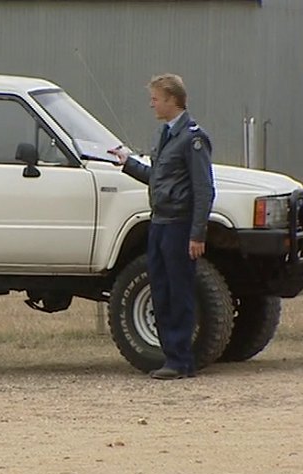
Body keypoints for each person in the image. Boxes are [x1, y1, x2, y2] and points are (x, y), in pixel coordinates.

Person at [109, 74, 215, 380]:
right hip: (159, 221)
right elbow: (159, 177)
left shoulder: (192, 138)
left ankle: (181, 360)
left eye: (155, 98)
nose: (151, 104)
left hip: (179, 225)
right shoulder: (166, 135)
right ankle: (171, 356)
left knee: (179, 291)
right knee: (161, 290)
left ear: (171, 99)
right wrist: (127, 163)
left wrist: (197, 233)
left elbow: (203, 189)